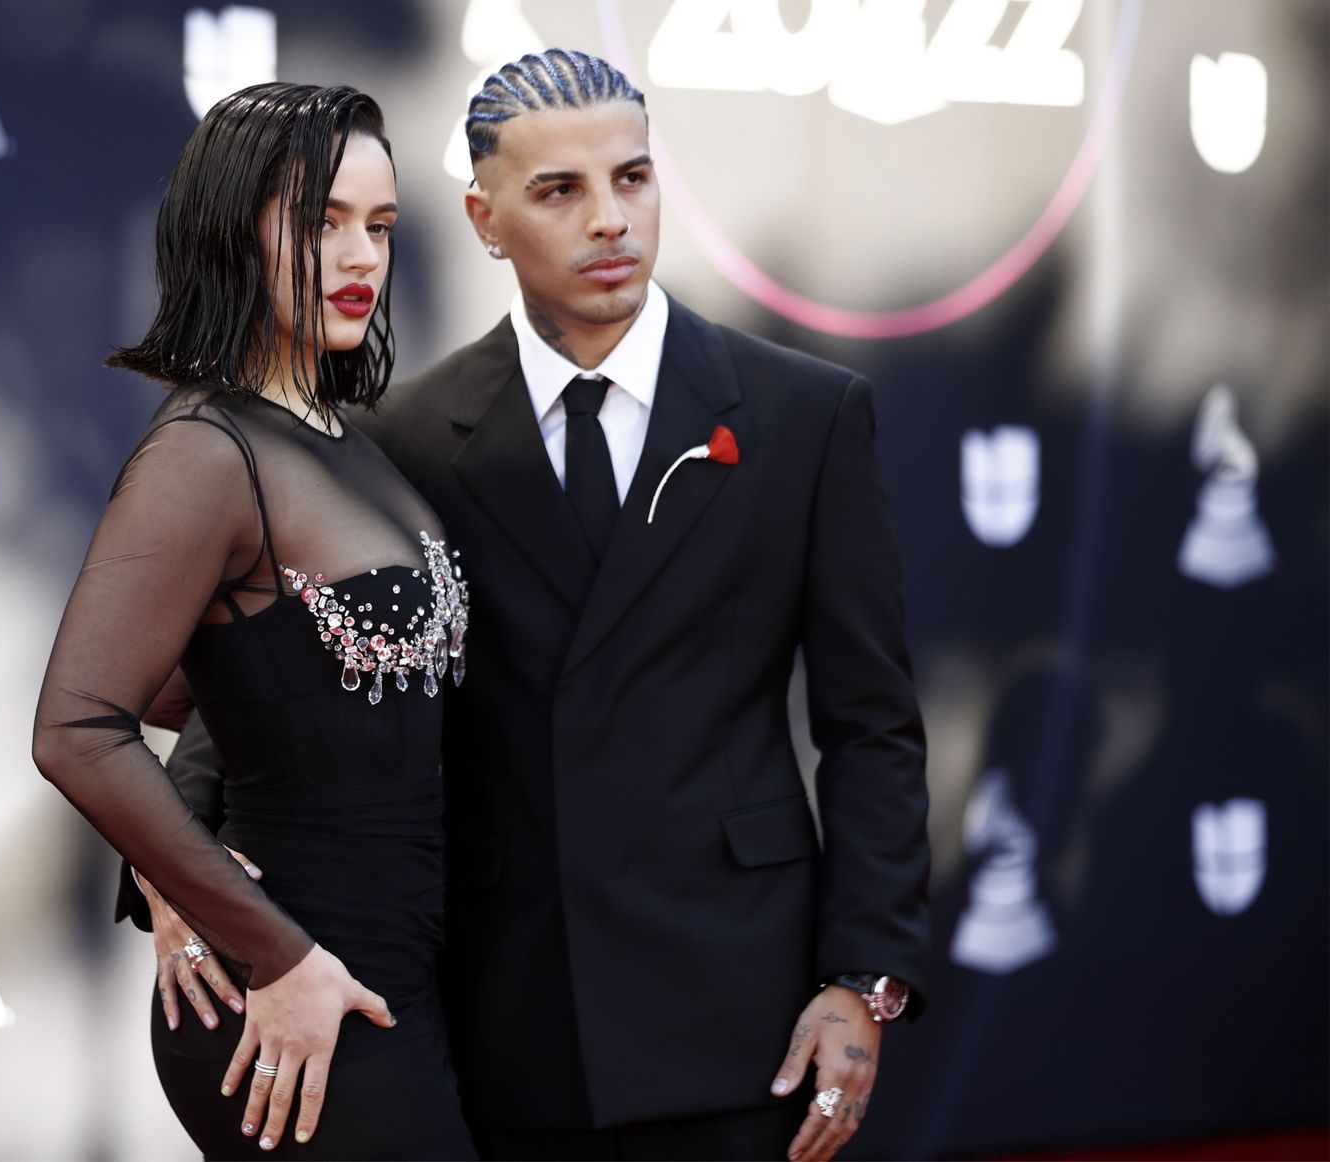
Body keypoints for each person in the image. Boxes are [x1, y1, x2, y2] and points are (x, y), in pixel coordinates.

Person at [132, 49, 931, 1162]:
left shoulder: (806, 416)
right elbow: (278, 675)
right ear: (484, 217)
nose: (610, 220)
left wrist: (864, 975)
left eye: (634, 179)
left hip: (742, 1003)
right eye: (559, 191)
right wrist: (175, 865)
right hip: (501, 1008)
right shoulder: (402, 438)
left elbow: (871, 726)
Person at [33, 81, 475, 1160]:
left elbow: (230, 678)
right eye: (319, 223)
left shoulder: (334, 436)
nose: (361, 256)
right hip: (296, 999)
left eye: (379, 225)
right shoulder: (206, 451)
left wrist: (180, 863)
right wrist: (261, 942)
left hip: (385, 973)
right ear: (231, 235)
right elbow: (78, 728)